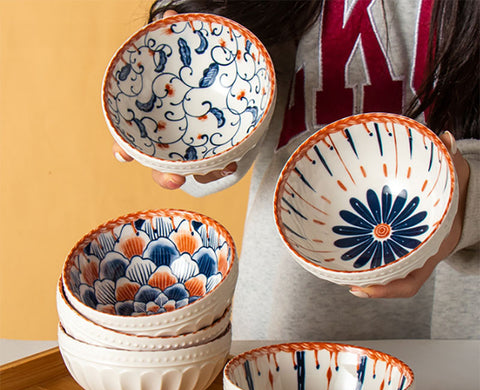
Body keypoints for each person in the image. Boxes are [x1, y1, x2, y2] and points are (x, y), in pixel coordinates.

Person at [113, 0, 479, 339]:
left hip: (460, 335)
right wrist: (182, 131)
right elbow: (211, 92)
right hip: (285, 325)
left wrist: (470, 206)